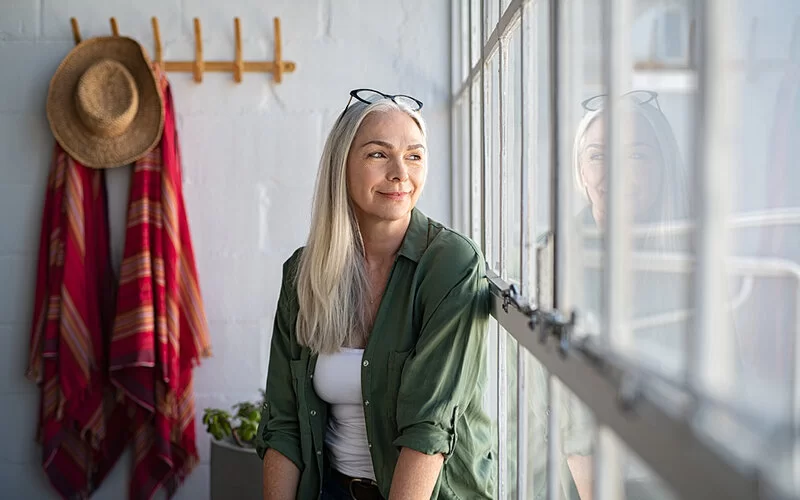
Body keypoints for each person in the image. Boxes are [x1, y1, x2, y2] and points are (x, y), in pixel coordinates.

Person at [255, 88, 496, 500]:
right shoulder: (303, 273)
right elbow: (285, 422)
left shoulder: (451, 265)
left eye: (414, 155)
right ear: (342, 165)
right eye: (378, 154)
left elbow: (428, 430)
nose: (401, 172)